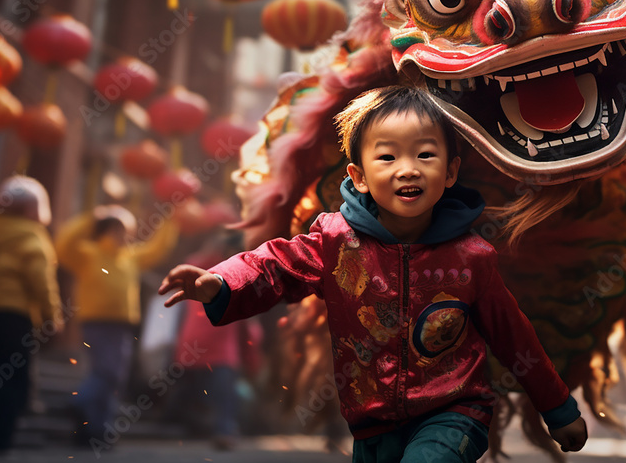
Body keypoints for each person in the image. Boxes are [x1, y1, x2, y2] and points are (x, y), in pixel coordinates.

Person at [159, 86, 588, 462]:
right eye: (388, 156)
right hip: (371, 422)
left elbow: (515, 337)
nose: (407, 168)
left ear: (450, 172)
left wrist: (558, 409)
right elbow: (275, 265)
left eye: (425, 154)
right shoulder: (334, 242)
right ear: (359, 177)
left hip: (456, 411)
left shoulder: (472, 257)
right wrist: (220, 281)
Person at [55, 204, 178, 445]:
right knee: (107, 372)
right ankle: (79, 403)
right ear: (107, 230)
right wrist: (91, 216)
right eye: (119, 230)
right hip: (96, 322)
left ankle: (96, 431)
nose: (125, 235)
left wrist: (170, 220)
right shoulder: (88, 252)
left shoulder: (130, 256)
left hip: (122, 326)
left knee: (114, 377)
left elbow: (157, 249)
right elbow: (64, 245)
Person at [0, 176, 63, 452]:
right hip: (13, 316)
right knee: (12, 378)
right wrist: (53, 317)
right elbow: (42, 281)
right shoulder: (32, 235)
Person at [170, 232, 263, 450]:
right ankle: (219, 431)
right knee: (218, 396)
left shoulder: (222, 272)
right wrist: (253, 354)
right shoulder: (218, 271)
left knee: (214, 395)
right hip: (209, 349)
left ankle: (219, 431)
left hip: (205, 348)